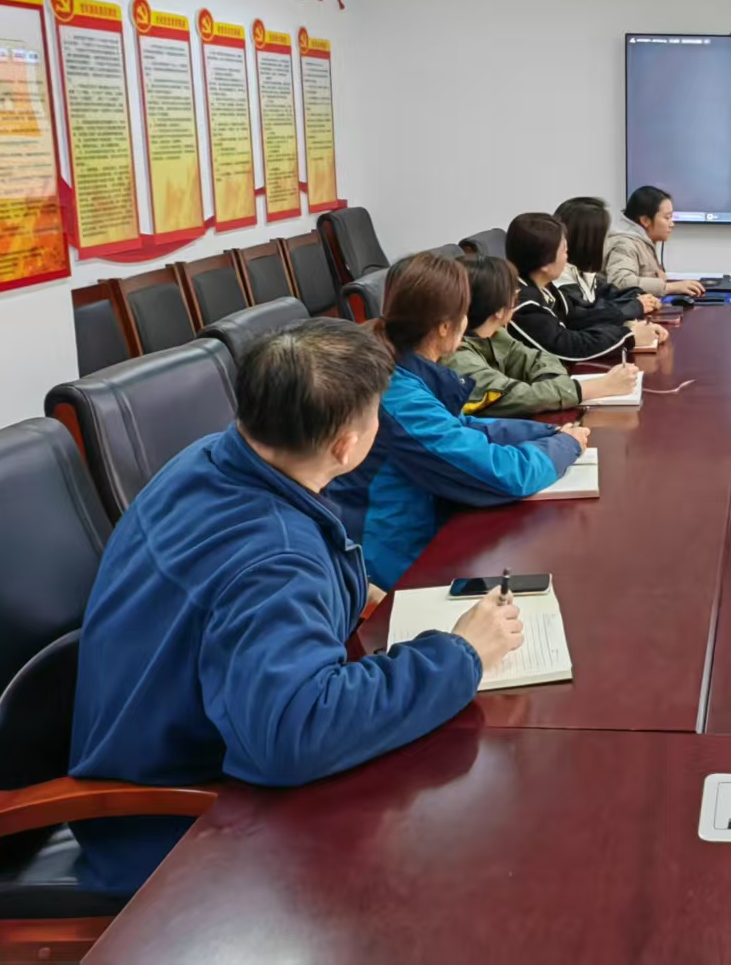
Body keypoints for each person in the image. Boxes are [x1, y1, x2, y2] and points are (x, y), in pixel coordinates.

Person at [69, 317, 525, 895]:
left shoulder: (209, 459)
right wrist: (463, 655)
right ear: (346, 446)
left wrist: (353, 590)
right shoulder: (276, 558)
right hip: (170, 826)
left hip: (160, 743)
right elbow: (296, 733)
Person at [325, 251, 588, 590]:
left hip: (426, 537)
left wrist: (549, 432)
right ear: (445, 327)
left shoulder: (403, 367)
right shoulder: (398, 397)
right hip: (393, 569)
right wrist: (564, 446)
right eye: (464, 313)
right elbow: (501, 474)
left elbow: (465, 428)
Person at [448, 253, 639, 415]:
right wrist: (598, 387)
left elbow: (540, 359)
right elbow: (518, 397)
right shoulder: (458, 358)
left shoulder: (496, 335)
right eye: (515, 297)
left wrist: (550, 390)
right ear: (499, 310)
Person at [507, 212, 666, 363]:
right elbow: (567, 346)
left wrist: (628, 327)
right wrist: (628, 337)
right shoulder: (523, 304)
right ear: (545, 264)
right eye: (564, 251)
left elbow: (577, 319)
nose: (567, 258)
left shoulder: (545, 288)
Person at [555, 196, 659, 324]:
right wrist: (635, 306)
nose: (609, 242)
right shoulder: (561, 280)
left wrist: (640, 296)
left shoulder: (583, 273)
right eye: (606, 236)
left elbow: (609, 293)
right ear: (588, 241)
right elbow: (586, 317)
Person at [605, 185, 704, 299]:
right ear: (645, 220)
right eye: (667, 218)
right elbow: (620, 282)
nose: (672, 224)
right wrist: (669, 287)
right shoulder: (625, 244)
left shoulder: (643, 241)